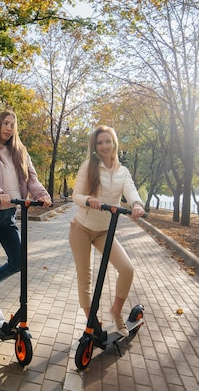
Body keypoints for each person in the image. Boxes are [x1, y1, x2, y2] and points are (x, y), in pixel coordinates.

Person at [0, 110, 52, 328]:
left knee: (18, 262)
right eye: (5, 123)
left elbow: (31, 179)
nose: (8, 128)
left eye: (12, 124)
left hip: (9, 217)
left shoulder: (20, 153)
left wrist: (41, 194)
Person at [69, 125, 146, 336]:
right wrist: (88, 200)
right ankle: (92, 321)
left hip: (105, 231)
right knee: (85, 277)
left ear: (114, 143)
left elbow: (130, 190)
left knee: (127, 269)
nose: (104, 146)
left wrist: (136, 204)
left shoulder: (122, 171)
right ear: (95, 145)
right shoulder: (89, 166)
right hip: (82, 229)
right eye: (100, 142)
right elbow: (76, 195)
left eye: (108, 141)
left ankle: (116, 311)